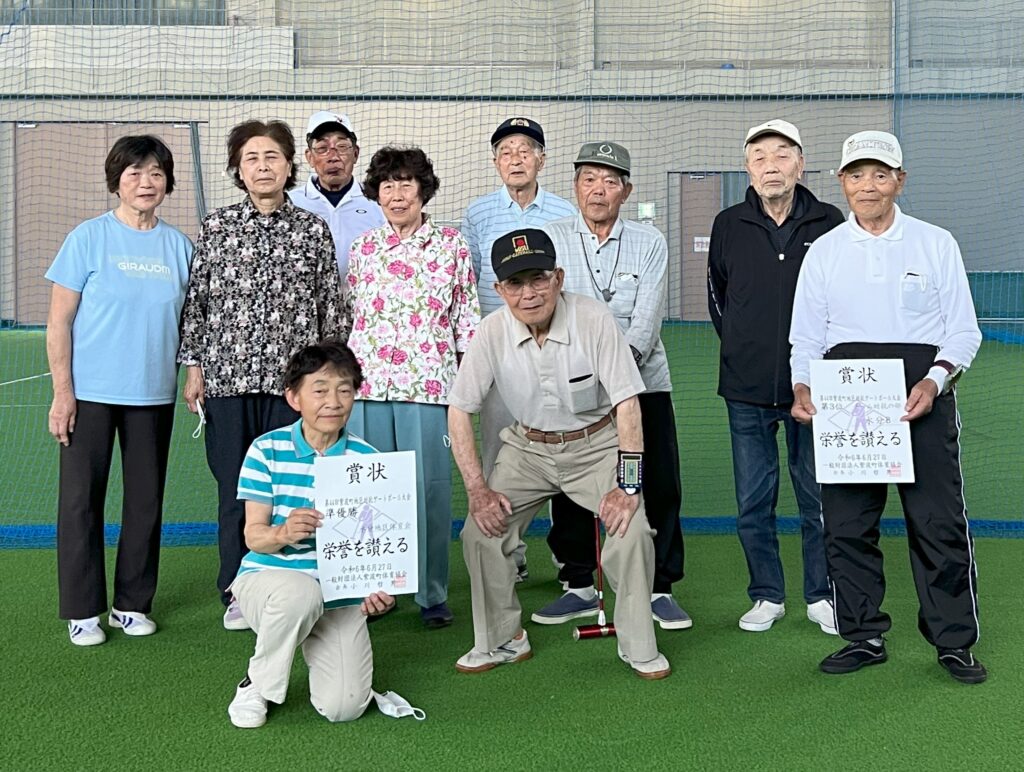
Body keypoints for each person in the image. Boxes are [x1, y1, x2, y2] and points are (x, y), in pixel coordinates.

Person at [790, 130, 986, 684]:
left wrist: (935, 381)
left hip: (920, 396)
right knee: (847, 525)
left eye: (880, 174)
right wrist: (803, 386)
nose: (868, 186)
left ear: (900, 180)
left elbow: (963, 332)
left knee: (938, 522)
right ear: (842, 182)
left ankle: (953, 641)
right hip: (847, 397)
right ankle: (862, 635)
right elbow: (806, 337)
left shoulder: (935, 243)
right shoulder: (824, 251)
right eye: (857, 175)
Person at [448, 229, 670, 680]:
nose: (528, 294)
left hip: (597, 445)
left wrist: (628, 487)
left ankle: (638, 644)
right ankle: (504, 639)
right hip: (526, 449)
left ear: (559, 278)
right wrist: (477, 491)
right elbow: (459, 411)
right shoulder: (490, 332)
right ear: (499, 290)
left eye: (538, 279)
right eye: (515, 283)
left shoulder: (594, 318)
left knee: (631, 531)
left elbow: (628, 403)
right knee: (480, 532)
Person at [177, 120, 349, 631]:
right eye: (251, 158)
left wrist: (327, 380)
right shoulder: (217, 226)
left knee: (294, 487)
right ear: (238, 168)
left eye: (272, 156)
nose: (262, 166)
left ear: (289, 165)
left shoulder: (311, 229)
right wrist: (194, 367)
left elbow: (330, 308)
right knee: (236, 489)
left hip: (291, 390)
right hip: (228, 382)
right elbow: (197, 303)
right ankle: (237, 589)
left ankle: (300, 582)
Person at [45, 135, 193, 645]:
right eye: (134, 173)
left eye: (156, 173)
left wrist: (193, 372)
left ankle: (131, 604)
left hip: (153, 395)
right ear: (117, 181)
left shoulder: (179, 247)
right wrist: (63, 392)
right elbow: (59, 322)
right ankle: (83, 610)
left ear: (167, 182)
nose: (146, 182)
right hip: (90, 395)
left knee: (145, 503)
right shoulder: (87, 238)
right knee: (80, 501)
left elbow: (193, 321)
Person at [542, 142, 689, 631]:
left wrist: (616, 375)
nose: (598, 190)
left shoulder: (650, 241)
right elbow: (549, 310)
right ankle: (579, 583)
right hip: (574, 384)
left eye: (609, 181)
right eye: (588, 179)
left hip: (643, 383)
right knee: (571, 483)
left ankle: (660, 587)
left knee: (658, 481)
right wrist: (587, 376)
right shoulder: (552, 237)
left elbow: (647, 319)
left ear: (626, 190)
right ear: (575, 186)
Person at [706, 119, 846, 635]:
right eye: (760, 157)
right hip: (745, 389)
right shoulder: (728, 223)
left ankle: (821, 595)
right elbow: (718, 295)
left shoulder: (831, 221)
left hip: (816, 390)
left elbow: (843, 298)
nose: (771, 166)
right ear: (747, 167)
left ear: (801, 165)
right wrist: (743, 344)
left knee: (818, 498)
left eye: (782, 155)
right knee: (753, 501)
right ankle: (766, 594)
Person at [226, 341, 398, 728]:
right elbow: (254, 537)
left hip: (338, 594)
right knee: (301, 594)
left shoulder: (368, 461)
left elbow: (376, 549)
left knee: (345, 707)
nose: (333, 402)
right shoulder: (266, 450)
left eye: (344, 390)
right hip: (270, 581)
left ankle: (304, 639)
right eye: (319, 390)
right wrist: (284, 532)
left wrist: (379, 590)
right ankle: (256, 684)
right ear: (294, 397)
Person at [346, 146, 480, 629]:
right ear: (376, 194)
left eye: (406, 183)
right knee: (370, 495)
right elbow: (352, 316)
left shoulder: (451, 245)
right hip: (367, 390)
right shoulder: (363, 248)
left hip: (428, 386)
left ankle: (431, 594)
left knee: (428, 492)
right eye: (388, 185)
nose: (397, 194)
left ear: (423, 190)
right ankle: (375, 591)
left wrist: (469, 385)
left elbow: (466, 318)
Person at [461, 117, 575, 581]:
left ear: (541, 160)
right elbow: (468, 282)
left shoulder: (564, 211)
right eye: (506, 152)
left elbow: (570, 279)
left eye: (525, 151)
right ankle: (509, 549)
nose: (515, 159)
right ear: (495, 162)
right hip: (500, 350)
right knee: (499, 451)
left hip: (556, 347)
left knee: (564, 448)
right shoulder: (478, 213)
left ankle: (570, 557)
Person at [289, 111, 385, 280]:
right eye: (322, 148)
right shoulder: (291, 202)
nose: (333, 157)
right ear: (310, 157)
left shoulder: (379, 201)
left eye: (342, 147)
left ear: (355, 153)